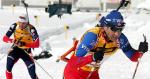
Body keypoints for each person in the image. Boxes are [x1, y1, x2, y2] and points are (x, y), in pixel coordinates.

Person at [63, 10, 148, 79]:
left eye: (120, 29)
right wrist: (92, 57)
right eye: (114, 29)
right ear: (105, 27)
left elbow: (134, 57)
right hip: (74, 74)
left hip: (92, 74)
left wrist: (141, 51)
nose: (117, 33)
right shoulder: (93, 36)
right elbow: (73, 63)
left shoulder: (121, 39)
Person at [3, 14, 40, 79]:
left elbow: (37, 44)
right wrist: (12, 40)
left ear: (27, 23)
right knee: (8, 67)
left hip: (26, 51)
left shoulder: (31, 29)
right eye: (20, 22)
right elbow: (4, 38)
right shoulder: (14, 25)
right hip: (15, 49)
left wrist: (24, 44)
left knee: (32, 74)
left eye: (23, 23)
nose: (21, 25)